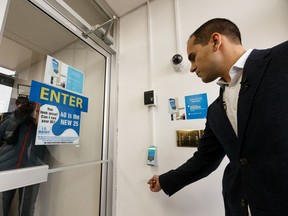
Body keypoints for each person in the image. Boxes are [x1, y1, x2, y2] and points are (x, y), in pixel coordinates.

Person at [148, 18, 288, 216]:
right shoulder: (215, 111)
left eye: (193, 57)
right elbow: (205, 160)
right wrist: (165, 180)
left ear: (215, 41)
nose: (192, 67)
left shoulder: (282, 59)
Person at [0, 99, 47, 216]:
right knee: (3, 206)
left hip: (32, 170)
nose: (38, 107)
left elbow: (50, 146)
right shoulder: (17, 116)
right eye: (36, 103)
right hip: (8, 167)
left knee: (27, 209)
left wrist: (40, 125)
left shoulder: (46, 125)